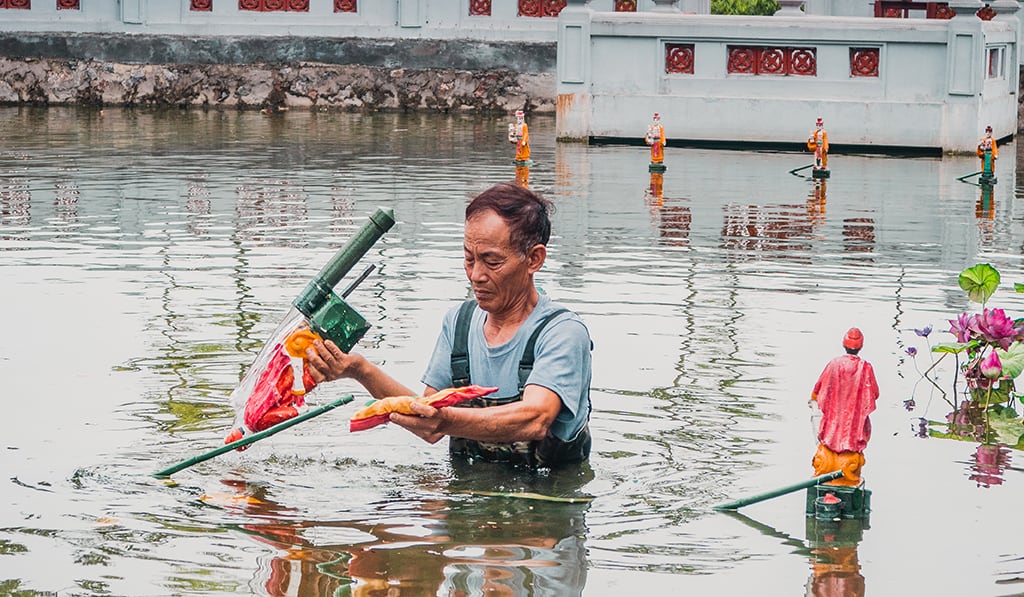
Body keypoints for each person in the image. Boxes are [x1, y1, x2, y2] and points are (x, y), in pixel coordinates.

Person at [305, 183, 593, 468]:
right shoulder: (460, 324)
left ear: (534, 259)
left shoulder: (561, 332)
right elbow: (427, 424)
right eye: (469, 259)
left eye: (491, 262)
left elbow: (535, 418)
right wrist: (359, 370)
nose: (476, 275)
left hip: (547, 504)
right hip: (470, 500)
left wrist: (447, 420)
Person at [809, 327, 879, 486]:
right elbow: (874, 394)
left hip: (830, 435)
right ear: (861, 347)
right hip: (852, 440)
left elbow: (817, 391)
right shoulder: (865, 367)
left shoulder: (834, 364)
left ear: (843, 344)